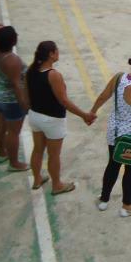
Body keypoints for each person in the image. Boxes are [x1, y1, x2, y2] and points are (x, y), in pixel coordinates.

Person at [88, 56, 131, 216]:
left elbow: (103, 96)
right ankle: (127, 205)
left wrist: (92, 112)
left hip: (115, 130)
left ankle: (104, 200)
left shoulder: (119, 77)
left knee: (113, 165)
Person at [26, 41, 93, 195]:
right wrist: (84, 115)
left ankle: (37, 179)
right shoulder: (53, 75)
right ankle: (57, 185)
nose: (58, 54)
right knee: (53, 154)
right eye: (56, 51)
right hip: (52, 120)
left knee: (37, 149)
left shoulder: (31, 70)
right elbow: (64, 101)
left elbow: (27, 95)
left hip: (35, 115)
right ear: (51, 54)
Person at [0, 26, 30, 171]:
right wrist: (24, 103)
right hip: (10, 100)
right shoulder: (12, 60)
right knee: (13, 132)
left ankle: (2, 153)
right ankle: (14, 163)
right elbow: (16, 85)